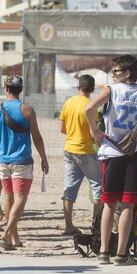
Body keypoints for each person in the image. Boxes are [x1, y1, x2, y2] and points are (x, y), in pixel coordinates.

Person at [85, 54, 137, 265]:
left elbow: (88, 109)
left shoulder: (111, 90)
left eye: (116, 71)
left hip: (112, 151)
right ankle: (122, 253)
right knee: (128, 206)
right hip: (135, 154)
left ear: (127, 73)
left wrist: (95, 131)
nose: (112, 75)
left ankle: (104, 251)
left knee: (108, 203)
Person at [0, 75, 49, 250]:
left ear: (6, 88)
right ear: (21, 90)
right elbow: (36, 137)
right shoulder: (27, 110)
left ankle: (15, 239)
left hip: (3, 160)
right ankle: (6, 234)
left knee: (8, 196)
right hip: (22, 161)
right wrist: (44, 157)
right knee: (21, 198)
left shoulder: (0, 108)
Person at [59, 74, 102, 236]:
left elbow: (62, 129)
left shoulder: (68, 103)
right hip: (86, 151)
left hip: (69, 149)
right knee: (98, 187)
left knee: (69, 189)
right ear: (92, 89)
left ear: (79, 87)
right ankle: (95, 225)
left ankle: (68, 226)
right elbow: (93, 134)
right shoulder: (91, 106)